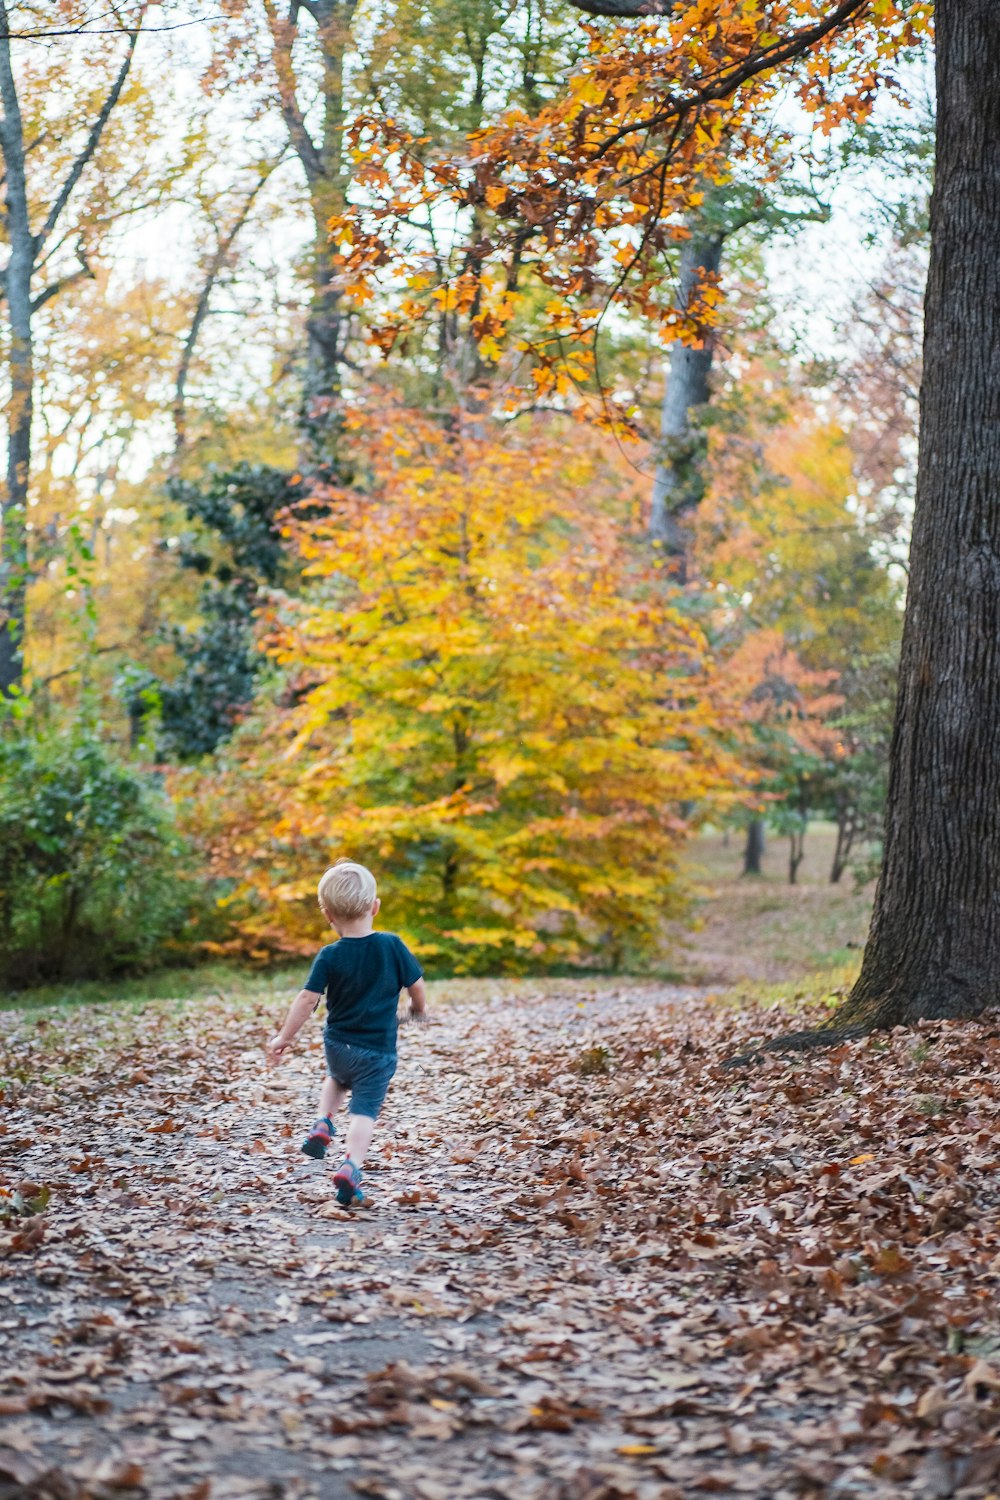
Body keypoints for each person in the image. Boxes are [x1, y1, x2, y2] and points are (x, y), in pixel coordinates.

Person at [266, 859, 426, 1207]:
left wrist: (284, 1037)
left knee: (336, 1078)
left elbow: (307, 999)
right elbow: (416, 984)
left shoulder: (329, 955)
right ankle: (351, 1165)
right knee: (363, 1111)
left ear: (328, 914)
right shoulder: (393, 945)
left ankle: (322, 1122)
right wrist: (417, 1010)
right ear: (375, 907)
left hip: (338, 1044)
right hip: (378, 1053)